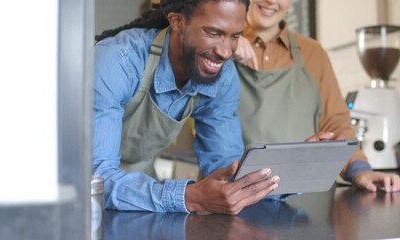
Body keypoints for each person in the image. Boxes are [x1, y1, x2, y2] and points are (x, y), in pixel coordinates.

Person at [93, 0, 280, 214]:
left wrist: (296, 164)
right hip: (75, 196)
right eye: (213, 33)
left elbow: (226, 167)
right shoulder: (118, 60)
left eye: (235, 36)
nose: (225, 52)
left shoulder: (223, 76)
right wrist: (190, 197)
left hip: (140, 197)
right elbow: (97, 178)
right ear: (177, 22)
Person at [233, 0, 400, 192]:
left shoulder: (313, 53)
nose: (271, 1)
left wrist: (360, 170)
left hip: (301, 200)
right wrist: (225, 43)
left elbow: (335, 125)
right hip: (230, 197)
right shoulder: (217, 47)